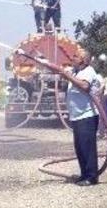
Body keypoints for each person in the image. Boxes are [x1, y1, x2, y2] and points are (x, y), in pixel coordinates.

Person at [41, 50, 101, 185]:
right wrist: (44, 62)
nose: (72, 58)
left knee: (87, 147)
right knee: (80, 147)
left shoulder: (88, 71)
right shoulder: (74, 71)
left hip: (87, 115)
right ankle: (84, 174)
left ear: (84, 60)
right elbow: (58, 70)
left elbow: (84, 86)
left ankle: (91, 177)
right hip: (77, 116)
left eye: (75, 56)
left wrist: (67, 76)